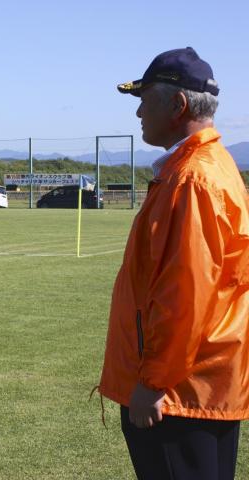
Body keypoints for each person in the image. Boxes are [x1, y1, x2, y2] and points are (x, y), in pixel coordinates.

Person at [99, 47, 249, 480]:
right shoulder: (206, 166)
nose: (139, 112)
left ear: (178, 105)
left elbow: (187, 293)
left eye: (145, 100)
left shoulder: (193, 179)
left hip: (180, 394)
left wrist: (153, 382)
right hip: (198, 385)